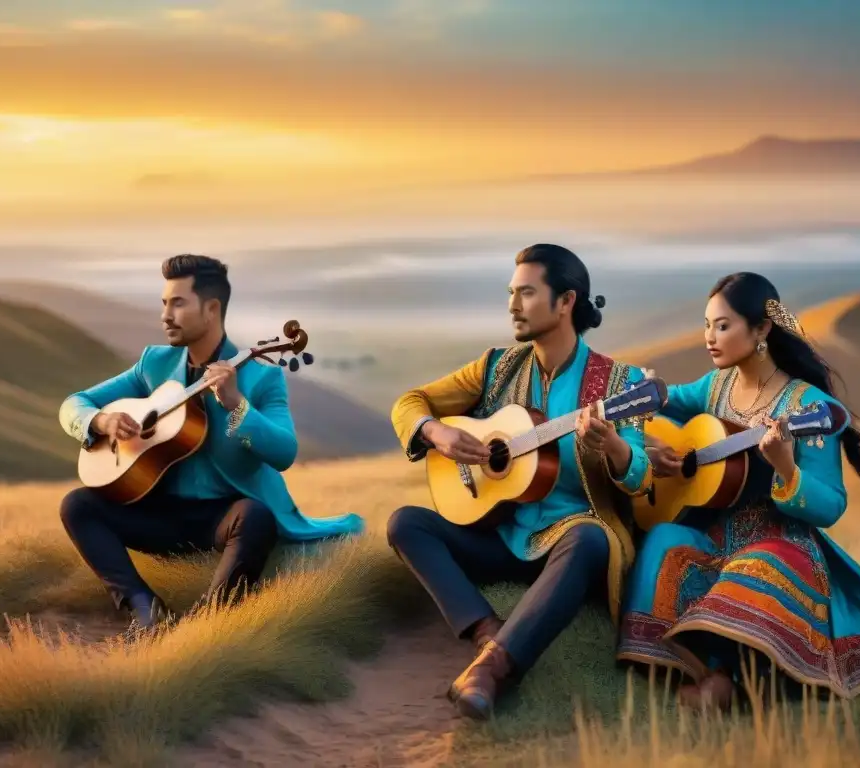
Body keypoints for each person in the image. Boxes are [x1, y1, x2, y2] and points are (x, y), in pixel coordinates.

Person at [616, 272, 860, 710]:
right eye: (706, 325)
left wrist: (786, 468)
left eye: (722, 326)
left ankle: (735, 680)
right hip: (717, 537)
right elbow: (659, 400)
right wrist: (642, 401)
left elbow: (831, 504)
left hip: (782, 544)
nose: (709, 338)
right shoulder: (715, 386)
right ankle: (705, 673)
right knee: (663, 540)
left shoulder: (809, 408)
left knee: (757, 567)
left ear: (761, 330)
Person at [387, 244, 653, 721]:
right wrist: (437, 432)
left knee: (590, 537)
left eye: (527, 293)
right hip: (503, 534)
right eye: (512, 293)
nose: (513, 305)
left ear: (566, 301)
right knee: (406, 523)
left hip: (570, 546)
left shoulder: (618, 382)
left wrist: (613, 445)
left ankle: (492, 669)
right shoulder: (496, 366)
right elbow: (410, 401)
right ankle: (487, 631)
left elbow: (640, 475)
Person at [58, 254, 363, 633]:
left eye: (178, 303)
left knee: (256, 518)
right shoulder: (154, 364)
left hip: (222, 520)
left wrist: (237, 405)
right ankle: (145, 610)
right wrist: (100, 420)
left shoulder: (262, 378)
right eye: (164, 303)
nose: (166, 315)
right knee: (78, 505)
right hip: (158, 513)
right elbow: (74, 403)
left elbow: (285, 453)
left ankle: (207, 623)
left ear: (212, 308)